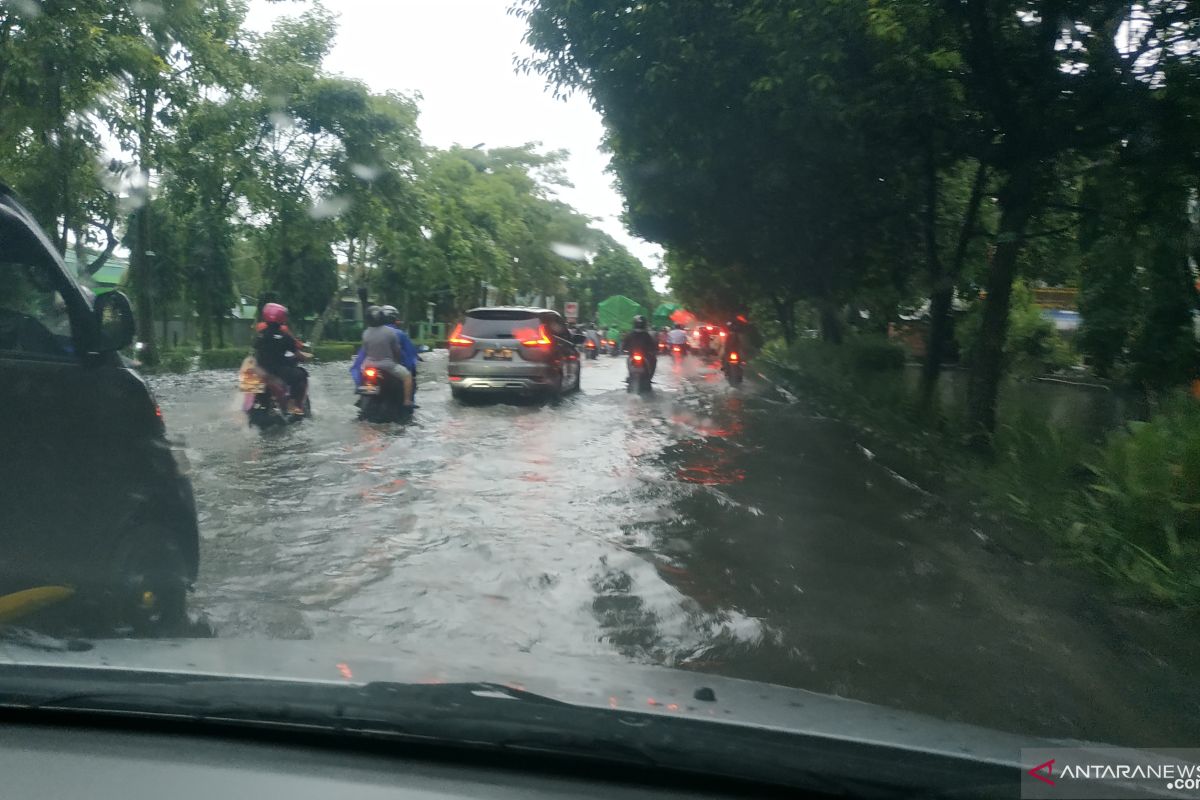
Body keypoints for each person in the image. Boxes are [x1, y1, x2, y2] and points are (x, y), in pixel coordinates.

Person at [253, 302, 311, 414]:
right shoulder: (285, 336)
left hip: (261, 371)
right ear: (282, 317)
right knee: (302, 375)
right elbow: (298, 354)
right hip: (279, 371)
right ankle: (295, 404)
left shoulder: (260, 335)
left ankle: (259, 403)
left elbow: (257, 351)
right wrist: (304, 358)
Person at [360, 305, 414, 407]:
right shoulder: (390, 332)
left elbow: (366, 351)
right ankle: (407, 401)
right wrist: (397, 360)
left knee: (362, 376)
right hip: (388, 366)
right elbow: (397, 350)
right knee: (407, 376)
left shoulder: (365, 333)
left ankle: (362, 398)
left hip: (368, 366)